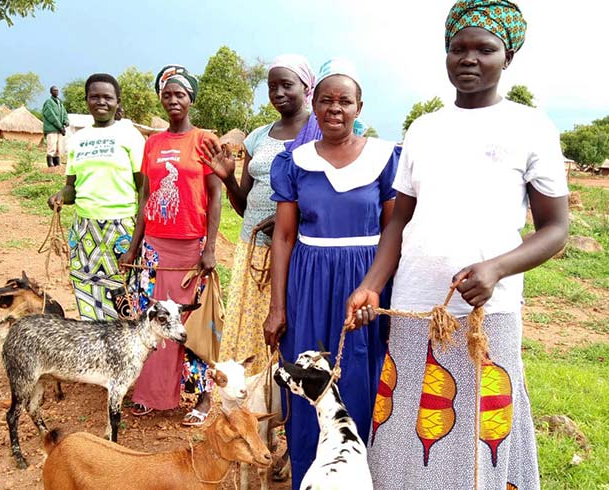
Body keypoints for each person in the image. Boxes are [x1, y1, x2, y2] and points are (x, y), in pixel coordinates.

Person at [346, 2, 569, 488]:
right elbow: (398, 221)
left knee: (480, 433)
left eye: (484, 49)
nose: (469, 58)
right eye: (457, 48)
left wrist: (496, 269)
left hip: (488, 313)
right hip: (415, 307)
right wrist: (371, 285)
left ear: (507, 57)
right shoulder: (424, 129)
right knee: (409, 426)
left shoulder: (531, 127)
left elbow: (556, 228)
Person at [263, 58, 401, 490]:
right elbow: (284, 237)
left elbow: (394, 229)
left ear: (360, 107)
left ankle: (362, 477)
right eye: (326, 99)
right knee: (308, 378)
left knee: (362, 375)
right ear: (314, 104)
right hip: (309, 282)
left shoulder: (384, 158)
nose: (334, 108)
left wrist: (375, 287)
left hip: (367, 283)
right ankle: (311, 476)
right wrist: (277, 306)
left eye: (345, 100)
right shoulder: (295, 162)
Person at [120, 65, 222, 424]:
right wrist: (134, 247)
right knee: (152, 322)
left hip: (190, 250)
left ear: (191, 98)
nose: (173, 100)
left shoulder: (205, 141)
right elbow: (145, 197)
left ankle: (204, 398)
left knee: (192, 326)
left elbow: (215, 195)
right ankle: (151, 393)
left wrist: (209, 247)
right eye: (167, 94)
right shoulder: (153, 143)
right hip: (154, 248)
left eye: (180, 94)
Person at [202, 54, 316, 376]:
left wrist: (288, 219)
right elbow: (243, 207)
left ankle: (285, 405)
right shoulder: (257, 136)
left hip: (293, 253)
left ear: (306, 87)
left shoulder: (318, 132)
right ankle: (253, 402)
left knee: (286, 328)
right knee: (250, 331)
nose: (278, 92)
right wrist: (227, 178)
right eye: (272, 86)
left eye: (287, 84)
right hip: (251, 250)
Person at [48, 73, 144, 320]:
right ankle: (95, 354)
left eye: (107, 97)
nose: (101, 101)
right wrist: (60, 196)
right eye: (95, 97)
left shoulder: (130, 136)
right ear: (87, 100)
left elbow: (143, 189)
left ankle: (122, 353)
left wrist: (136, 240)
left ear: (117, 101)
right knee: (87, 293)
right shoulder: (78, 139)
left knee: (123, 296)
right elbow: (72, 188)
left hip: (120, 228)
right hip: (84, 230)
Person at [42, 85, 69, 167]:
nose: (56, 92)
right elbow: (51, 116)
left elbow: (64, 113)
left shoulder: (60, 103)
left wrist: (66, 121)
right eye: (54, 90)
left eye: (57, 90)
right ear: (51, 92)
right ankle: (50, 164)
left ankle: (57, 163)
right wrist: (60, 127)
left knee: (58, 147)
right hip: (52, 129)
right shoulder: (48, 102)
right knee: (52, 146)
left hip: (59, 129)